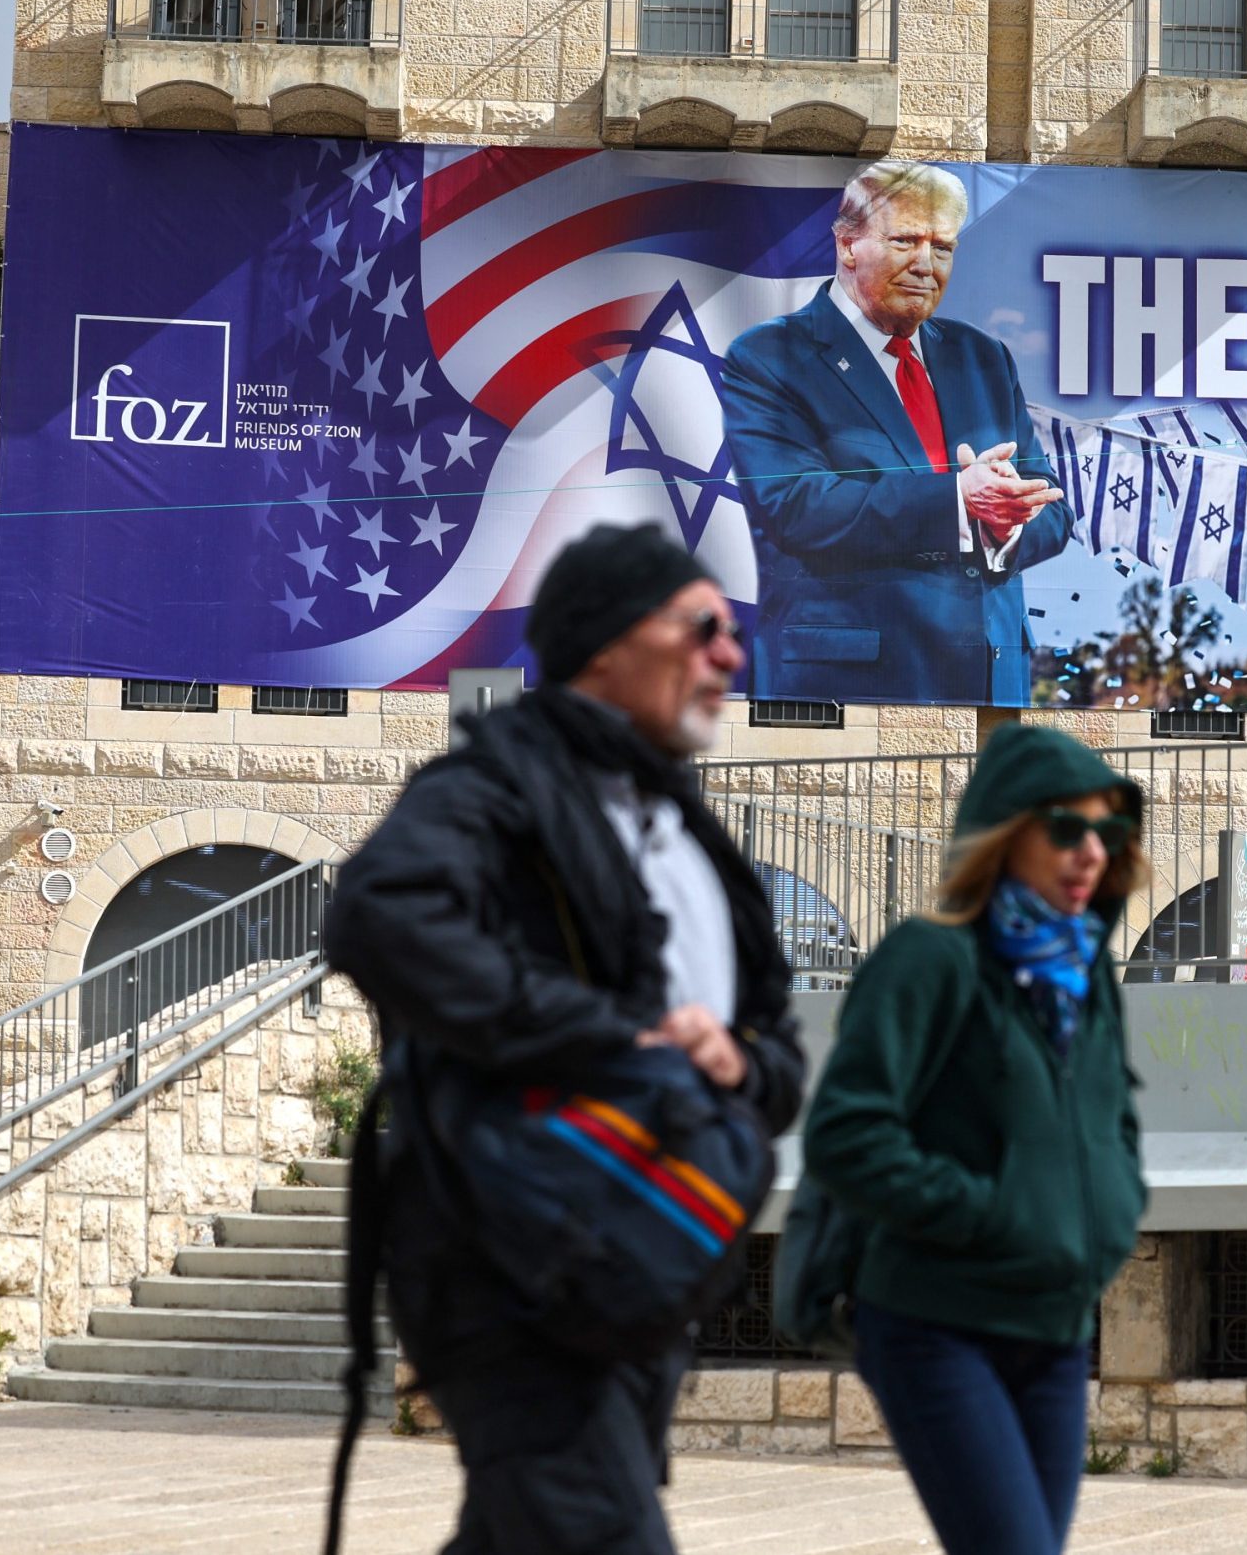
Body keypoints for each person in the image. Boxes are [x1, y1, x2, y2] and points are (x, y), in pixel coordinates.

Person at [323, 522, 806, 1555]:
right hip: (504, 1263)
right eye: (704, 627)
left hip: (633, 1261)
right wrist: (615, 1036)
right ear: (606, 642)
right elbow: (383, 915)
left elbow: (772, 1039)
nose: (732, 654)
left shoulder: (689, 831)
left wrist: (739, 1065)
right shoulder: (494, 788)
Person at [800, 725, 1149, 1555]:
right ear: (1004, 828)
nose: (1089, 851)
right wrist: (988, 1214)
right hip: (936, 1322)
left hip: (1056, 1329)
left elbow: (1111, 1116)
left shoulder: (1085, 968)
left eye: (1105, 830)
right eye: (1065, 827)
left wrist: (1114, 1214)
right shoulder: (931, 958)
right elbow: (845, 1131)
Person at [721, 161, 1074, 708]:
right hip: (848, 689)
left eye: (944, 247)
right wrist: (960, 498)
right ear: (847, 246)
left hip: (990, 683)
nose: (926, 266)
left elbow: (1050, 506)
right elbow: (794, 506)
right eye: (906, 241)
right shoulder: (771, 356)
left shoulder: (983, 358)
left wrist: (1005, 518)